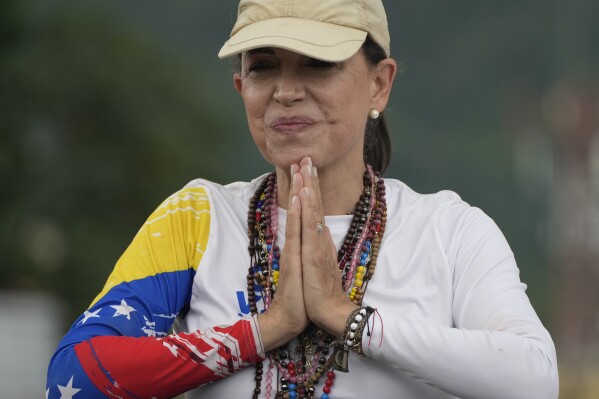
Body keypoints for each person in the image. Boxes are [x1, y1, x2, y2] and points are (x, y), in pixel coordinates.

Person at [46, 0, 559, 398]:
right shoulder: (198, 218)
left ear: (379, 85)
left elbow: (533, 380)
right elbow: (75, 377)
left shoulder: (450, 231)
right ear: (239, 86)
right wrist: (266, 329)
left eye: (317, 64)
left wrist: (348, 317)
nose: (286, 91)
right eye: (264, 67)